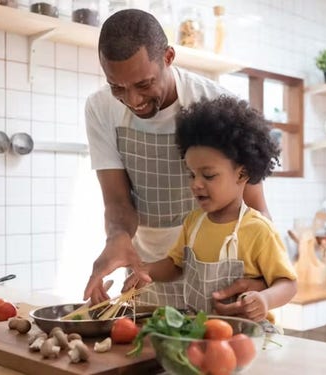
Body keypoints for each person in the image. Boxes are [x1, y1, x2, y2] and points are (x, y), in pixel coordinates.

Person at [83, 9, 269, 313]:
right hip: (148, 275)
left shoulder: (213, 104)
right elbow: (117, 202)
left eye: (144, 84)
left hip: (219, 278)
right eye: (118, 86)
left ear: (168, 57)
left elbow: (255, 209)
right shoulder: (100, 108)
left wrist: (265, 279)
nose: (133, 100)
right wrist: (116, 238)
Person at [123, 95, 297, 323]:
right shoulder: (194, 222)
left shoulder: (258, 230)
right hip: (201, 333)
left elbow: (288, 283)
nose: (196, 184)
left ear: (242, 174)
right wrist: (146, 272)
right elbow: (175, 265)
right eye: (192, 174)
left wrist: (264, 299)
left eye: (208, 175)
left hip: (247, 338)